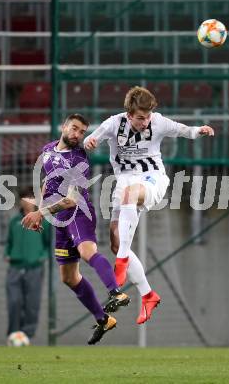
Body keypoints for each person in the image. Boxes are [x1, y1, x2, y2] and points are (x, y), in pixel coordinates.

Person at [84, 86, 214, 325]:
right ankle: (148, 294)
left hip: (152, 179)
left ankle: (122, 261)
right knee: (114, 239)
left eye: (148, 116)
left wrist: (199, 130)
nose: (146, 122)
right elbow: (92, 138)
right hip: (123, 182)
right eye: (141, 118)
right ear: (129, 114)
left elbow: (181, 129)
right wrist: (90, 142)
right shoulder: (114, 123)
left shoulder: (158, 122)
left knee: (131, 197)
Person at [21, 113, 130, 345]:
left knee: (88, 252)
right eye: (75, 128)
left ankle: (116, 292)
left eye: (82, 132)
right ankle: (103, 319)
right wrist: (41, 208)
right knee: (69, 278)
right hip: (60, 218)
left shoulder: (78, 158)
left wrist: (40, 212)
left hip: (79, 213)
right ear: (64, 127)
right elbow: (47, 182)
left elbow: (71, 200)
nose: (78, 134)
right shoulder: (48, 149)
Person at [4, 186, 50, 343]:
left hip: (34, 268)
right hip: (15, 268)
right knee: (14, 302)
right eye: (23, 199)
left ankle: (27, 335)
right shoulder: (14, 222)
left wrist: (42, 256)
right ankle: (13, 334)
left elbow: (48, 244)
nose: (26, 202)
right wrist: (7, 254)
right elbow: (9, 242)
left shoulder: (43, 222)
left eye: (30, 199)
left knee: (32, 303)